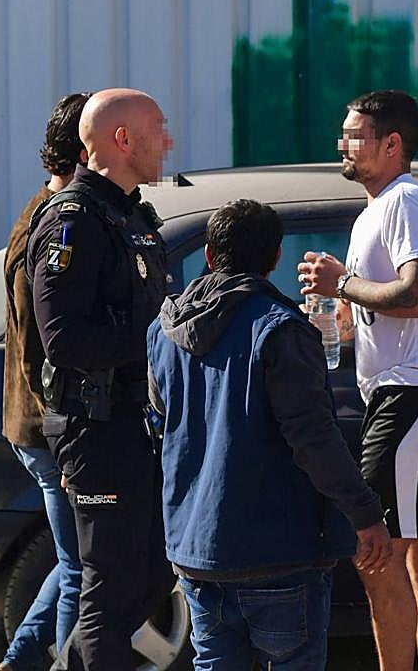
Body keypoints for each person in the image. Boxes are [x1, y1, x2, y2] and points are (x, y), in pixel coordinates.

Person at [146, 198, 393, 669]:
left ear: (211, 257)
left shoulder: (164, 330)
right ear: (275, 258)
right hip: (279, 553)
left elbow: (161, 419)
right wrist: (365, 514)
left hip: (197, 550)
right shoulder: (280, 331)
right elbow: (314, 439)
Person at [297, 90, 418, 671]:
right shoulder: (376, 210)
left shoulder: (408, 200)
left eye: (356, 136)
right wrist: (336, 317)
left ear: (392, 144)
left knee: (378, 552)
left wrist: (343, 285)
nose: (343, 145)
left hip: (413, 394)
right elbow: (383, 308)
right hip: (403, 393)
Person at [26, 88, 175, 671]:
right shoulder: (73, 222)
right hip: (97, 427)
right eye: (158, 128)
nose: (168, 141)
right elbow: (63, 339)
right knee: (108, 590)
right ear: (122, 139)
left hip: (140, 426)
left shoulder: (132, 212)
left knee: (153, 570)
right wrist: (158, 344)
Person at [0, 92, 90, 671]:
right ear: (87, 150)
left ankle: (19, 659)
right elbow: (43, 346)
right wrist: (65, 423)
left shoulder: (44, 209)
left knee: (71, 557)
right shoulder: (56, 227)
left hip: (34, 423)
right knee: (82, 565)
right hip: (45, 425)